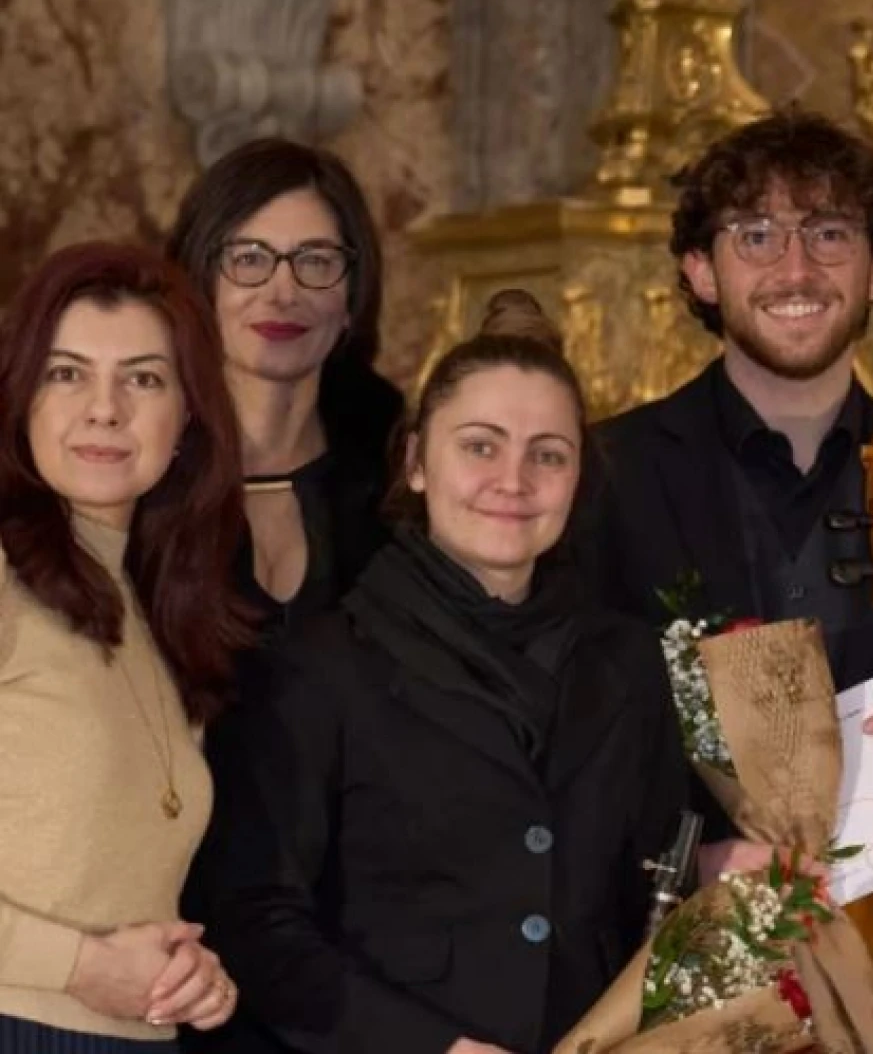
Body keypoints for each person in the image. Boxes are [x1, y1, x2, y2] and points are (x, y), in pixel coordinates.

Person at [575, 107, 873, 883]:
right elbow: (561, 757)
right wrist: (687, 862)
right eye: (757, 235)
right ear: (701, 270)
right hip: (669, 961)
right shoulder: (603, 477)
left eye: (831, 233)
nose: (796, 270)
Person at [194, 293, 690, 1053]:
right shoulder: (315, 669)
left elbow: (645, 899)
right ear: (417, 462)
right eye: (480, 446)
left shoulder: (628, 662)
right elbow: (255, 920)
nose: (514, 479)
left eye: (548, 454)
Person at [0, 242, 250, 1049]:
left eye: (143, 378)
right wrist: (77, 965)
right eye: (66, 373)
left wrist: (192, 979)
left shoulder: (160, 614)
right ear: (19, 399)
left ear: (187, 418)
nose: (104, 409)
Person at [165, 137, 402, 635]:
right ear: (201, 280)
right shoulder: (144, 468)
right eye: (250, 259)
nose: (283, 292)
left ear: (351, 296)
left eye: (315, 261)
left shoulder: (401, 479)